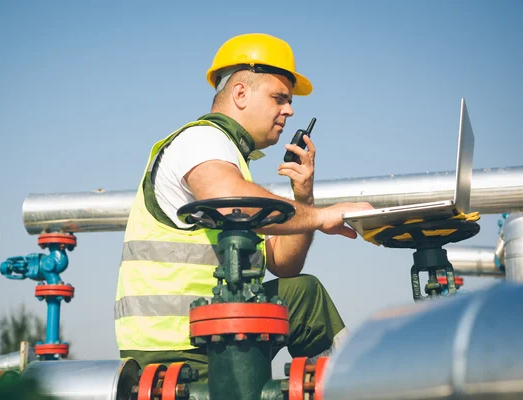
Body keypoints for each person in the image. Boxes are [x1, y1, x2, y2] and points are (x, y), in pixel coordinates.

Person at [115, 33, 373, 377]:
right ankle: (356, 384)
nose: (290, 110)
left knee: (303, 294)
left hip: (206, 332)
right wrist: (322, 217)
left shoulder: (229, 158)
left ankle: (344, 383)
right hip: (179, 350)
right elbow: (230, 201)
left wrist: (304, 199)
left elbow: (283, 264)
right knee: (306, 297)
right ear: (240, 93)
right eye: (279, 98)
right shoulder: (201, 139)